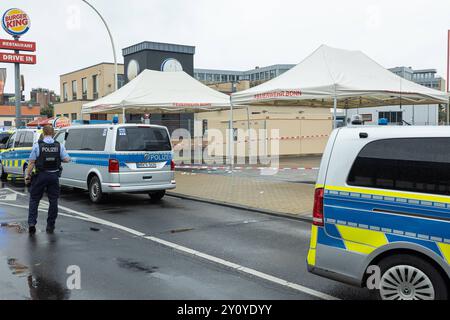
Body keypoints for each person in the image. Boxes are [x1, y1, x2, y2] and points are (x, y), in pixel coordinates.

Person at [25, 125, 71, 235]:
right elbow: (67, 159)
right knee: (53, 200)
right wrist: (57, 158)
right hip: (54, 176)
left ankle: (32, 223)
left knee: (34, 199)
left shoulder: (37, 146)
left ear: (44, 133)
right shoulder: (59, 146)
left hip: (40, 176)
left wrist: (28, 175)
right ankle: (50, 225)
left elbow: (31, 162)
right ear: (53, 133)